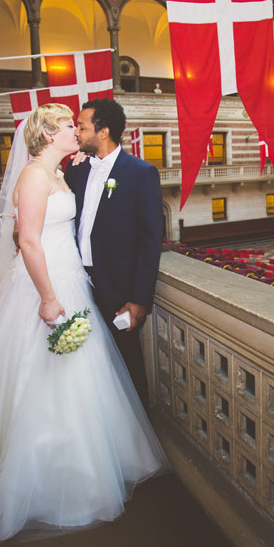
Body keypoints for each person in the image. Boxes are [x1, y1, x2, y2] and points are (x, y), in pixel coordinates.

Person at [0, 104, 167, 547]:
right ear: (48, 135)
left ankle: (90, 457)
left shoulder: (69, 173)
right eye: (68, 125)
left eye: (78, 125)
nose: (74, 131)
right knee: (36, 372)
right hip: (47, 287)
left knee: (85, 375)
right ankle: (37, 471)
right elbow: (26, 238)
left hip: (77, 283)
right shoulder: (33, 176)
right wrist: (47, 296)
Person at [63, 98, 163, 405]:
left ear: (103, 131)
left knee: (127, 364)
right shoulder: (77, 170)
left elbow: (150, 239)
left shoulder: (140, 173)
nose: (77, 133)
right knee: (83, 363)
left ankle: (139, 431)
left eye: (82, 126)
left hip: (119, 289)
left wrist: (139, 300)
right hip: (76, 282)